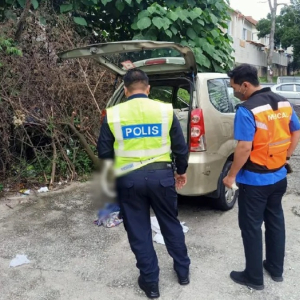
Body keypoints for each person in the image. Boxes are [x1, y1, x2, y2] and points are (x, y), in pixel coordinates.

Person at [97, 68, 190, 299]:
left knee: (139, 231)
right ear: (148, 89)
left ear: (126, 90)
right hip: (162, 177)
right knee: (170, 223)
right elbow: (180, 147)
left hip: (128, 180)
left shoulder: (113, 114)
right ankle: (183, 272)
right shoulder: (165, 111)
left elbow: (104, 153)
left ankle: (151, 284)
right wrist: (181, 171)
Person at [223, 64, 300, 290]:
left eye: (234, 87)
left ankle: (254, 277)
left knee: (251, 227)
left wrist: (231, 176)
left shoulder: (247, 109)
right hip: (278, 177)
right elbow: (296, 130)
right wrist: (285, 156)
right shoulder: (283, 102)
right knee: (275, 221)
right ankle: (275, 269)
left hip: (254, 181)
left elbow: (245, 147)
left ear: (245, 85)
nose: (234, 91)